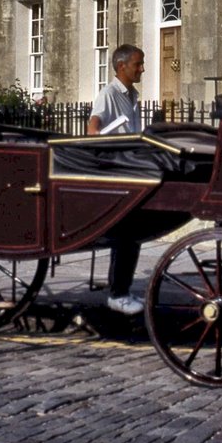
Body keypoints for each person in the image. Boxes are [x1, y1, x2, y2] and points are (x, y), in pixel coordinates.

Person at [87, 44, 146, 315]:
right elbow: (93, 129)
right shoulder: (109, 94)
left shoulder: (132, 95)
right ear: (121, 66)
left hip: (129, 169)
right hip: (114, 172)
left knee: (133, 232)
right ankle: (118, 293)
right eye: (138, 64)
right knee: (127, 231)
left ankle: (121, 290)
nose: (142, 69)